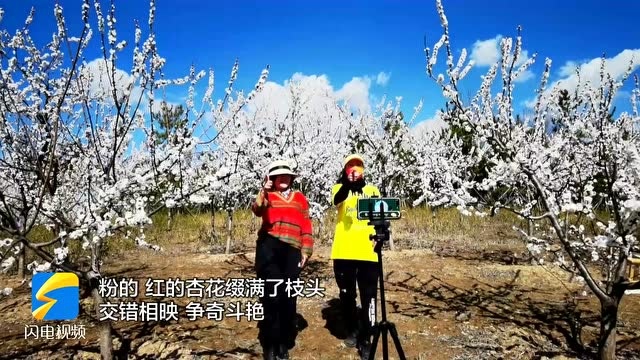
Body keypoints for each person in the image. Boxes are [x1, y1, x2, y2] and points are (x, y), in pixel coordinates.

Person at [251, 159, 314, 360]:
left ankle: (284, 342)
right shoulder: (267, 195)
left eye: (286, 175)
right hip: (269, 247)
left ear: (291, 178)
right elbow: (257, 209)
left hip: (292, 251)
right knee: (271, 297)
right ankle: (270, 343)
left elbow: (306, 223)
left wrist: (306, 250)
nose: (283, 178)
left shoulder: (300, 198)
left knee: (289, 296)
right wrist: (263, 191)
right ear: (273, 178)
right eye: (278, 175)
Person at [330, 154, 381, 359]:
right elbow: (336, 200)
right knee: (347, 294)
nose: (354, 169)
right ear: (345, 170)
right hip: (344, 251)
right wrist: (348, 185)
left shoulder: (372, 190)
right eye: (350, 166)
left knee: (369, 296)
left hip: (368, 252)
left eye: (358, 166)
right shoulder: (338, 189)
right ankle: (352, 328)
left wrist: (380, 236)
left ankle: (366, 337)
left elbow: (380, 214)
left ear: (364, 170)